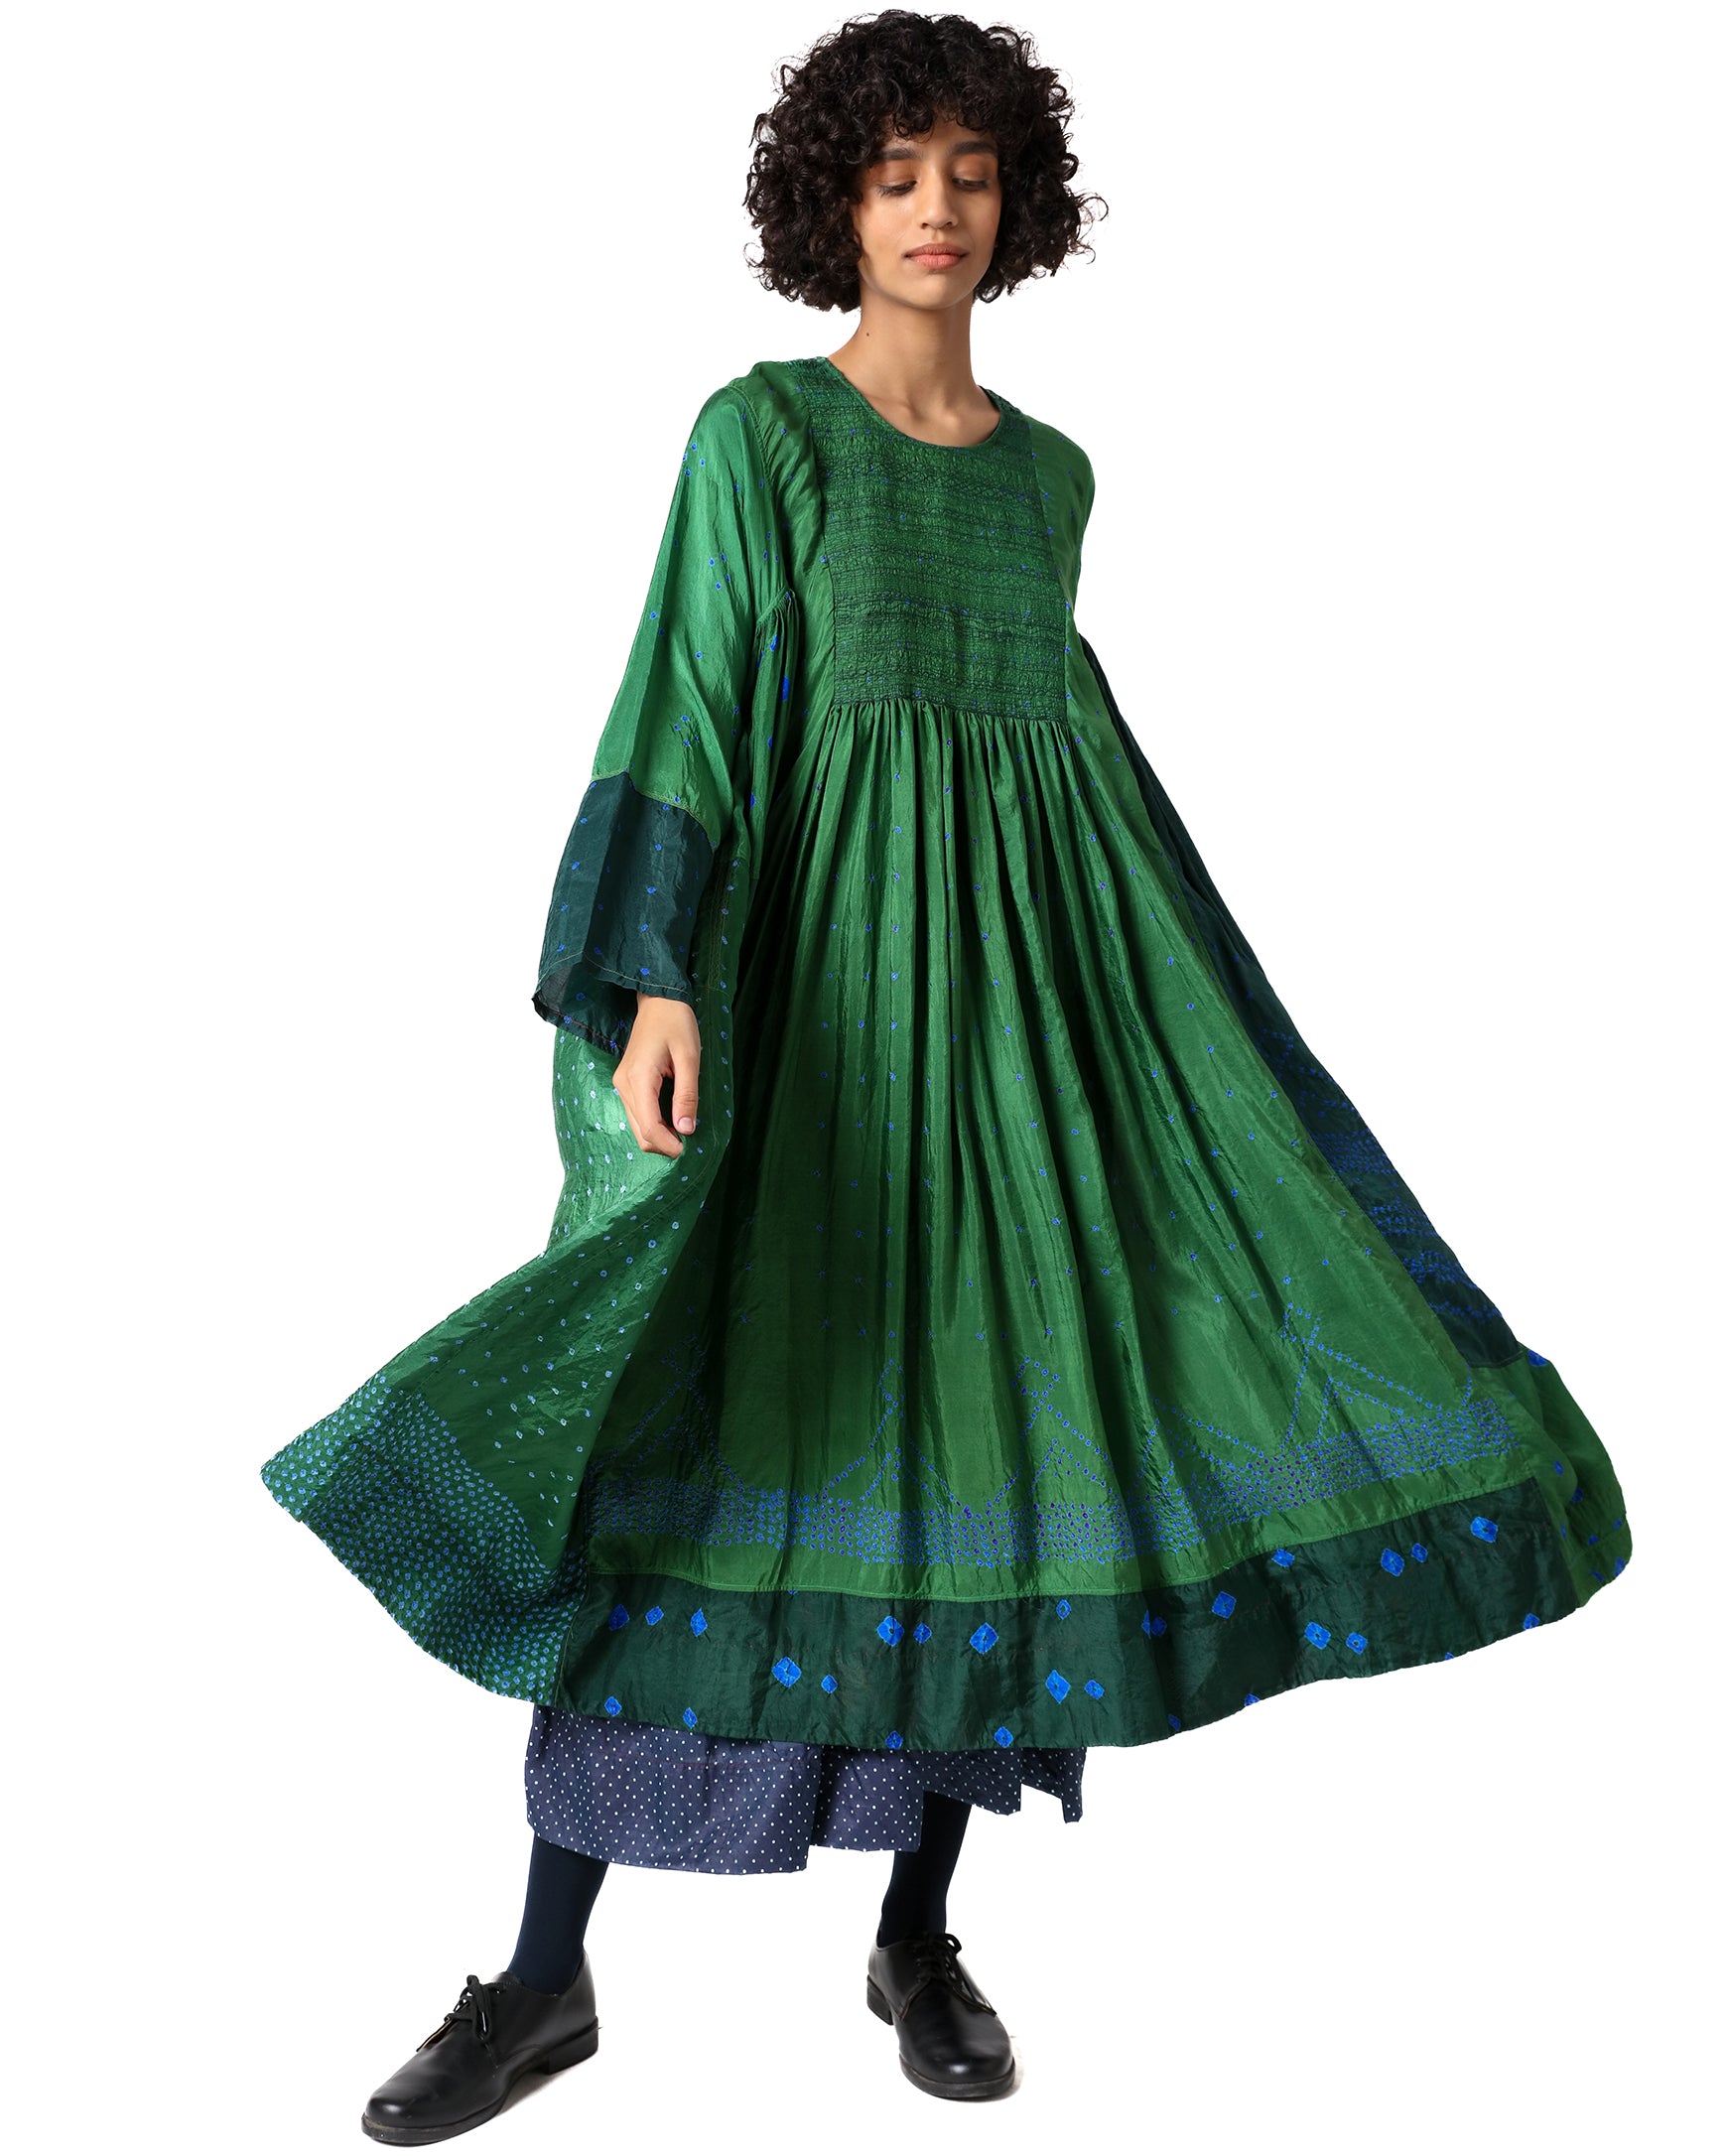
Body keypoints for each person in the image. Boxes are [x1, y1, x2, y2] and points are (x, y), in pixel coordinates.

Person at [259, 10, 1634, 2142]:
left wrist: (1161, 1041)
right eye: (895, 173)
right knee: (710, 1440)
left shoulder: (1052, 477)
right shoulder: (763, 436)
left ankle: (915, 1930)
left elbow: (1070, 770)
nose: (936, 209)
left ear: (1020, 205)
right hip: (809, 1032)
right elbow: (690, 694)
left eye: (971, 173)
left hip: (1013, 1056)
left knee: (996, 1453)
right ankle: (538, 1980)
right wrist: (652, 980)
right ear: (833, 202)